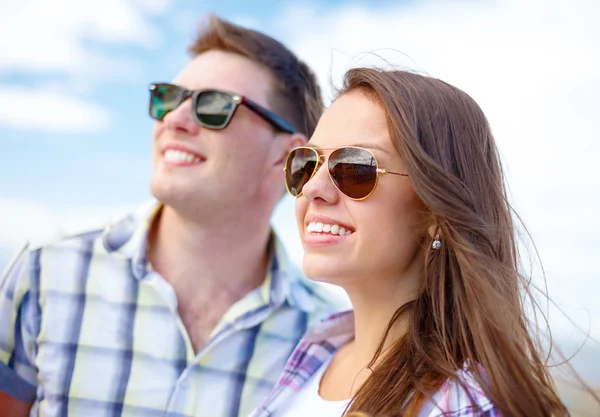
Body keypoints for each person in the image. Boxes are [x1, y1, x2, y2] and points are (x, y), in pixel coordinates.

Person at [0, 14, 345, 417]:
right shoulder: (45, 274)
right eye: (168, 98)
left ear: (286, 158)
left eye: (213, 106)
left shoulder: (327, 339)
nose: (174, 120)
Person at [249, 67, 584, 417]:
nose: (313, 189)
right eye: (306, 163)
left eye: (354, 168)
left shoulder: (465, 406)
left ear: (436, 214)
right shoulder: (314, 354)